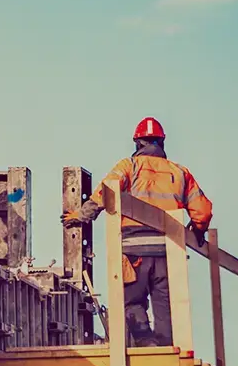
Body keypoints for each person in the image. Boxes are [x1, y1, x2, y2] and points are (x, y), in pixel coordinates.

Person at [63, 116, 214, 347]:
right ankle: (165, 349)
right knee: (165, 306)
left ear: (138, 143)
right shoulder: (180, 172)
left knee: (132, 302)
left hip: (134, 251)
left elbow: (107, 191)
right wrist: (198, 231)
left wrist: (81, 215)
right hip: (167, 251)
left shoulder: (129, 166)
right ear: (161, 143)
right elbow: (202, 211)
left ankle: (145, 342)